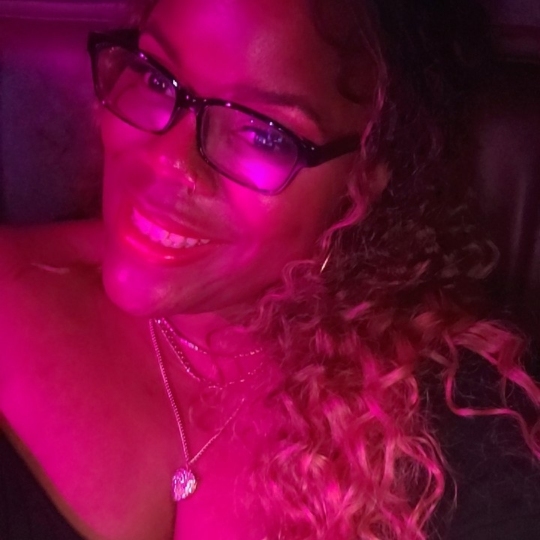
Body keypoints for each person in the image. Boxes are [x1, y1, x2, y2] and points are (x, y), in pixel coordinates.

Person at [1, 0, 540, 539]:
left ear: (369, 176)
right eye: (157, 79)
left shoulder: (464, 422)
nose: (168, 160)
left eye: (261, 133)